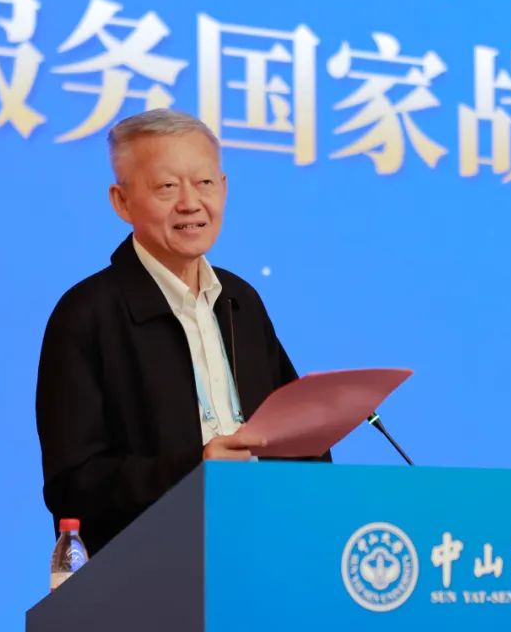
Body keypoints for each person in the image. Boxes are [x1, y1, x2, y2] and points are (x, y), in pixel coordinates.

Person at [35, 109, 328, 555]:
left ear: (224, 188)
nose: (190, 203)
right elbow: (73, 485)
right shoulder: (86, 315)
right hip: (150, 569)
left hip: (263, 553)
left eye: (204, 182)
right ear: (121, 201)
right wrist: (195, 470)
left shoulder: (240, 300)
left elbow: (297, 437)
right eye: (167, 187)